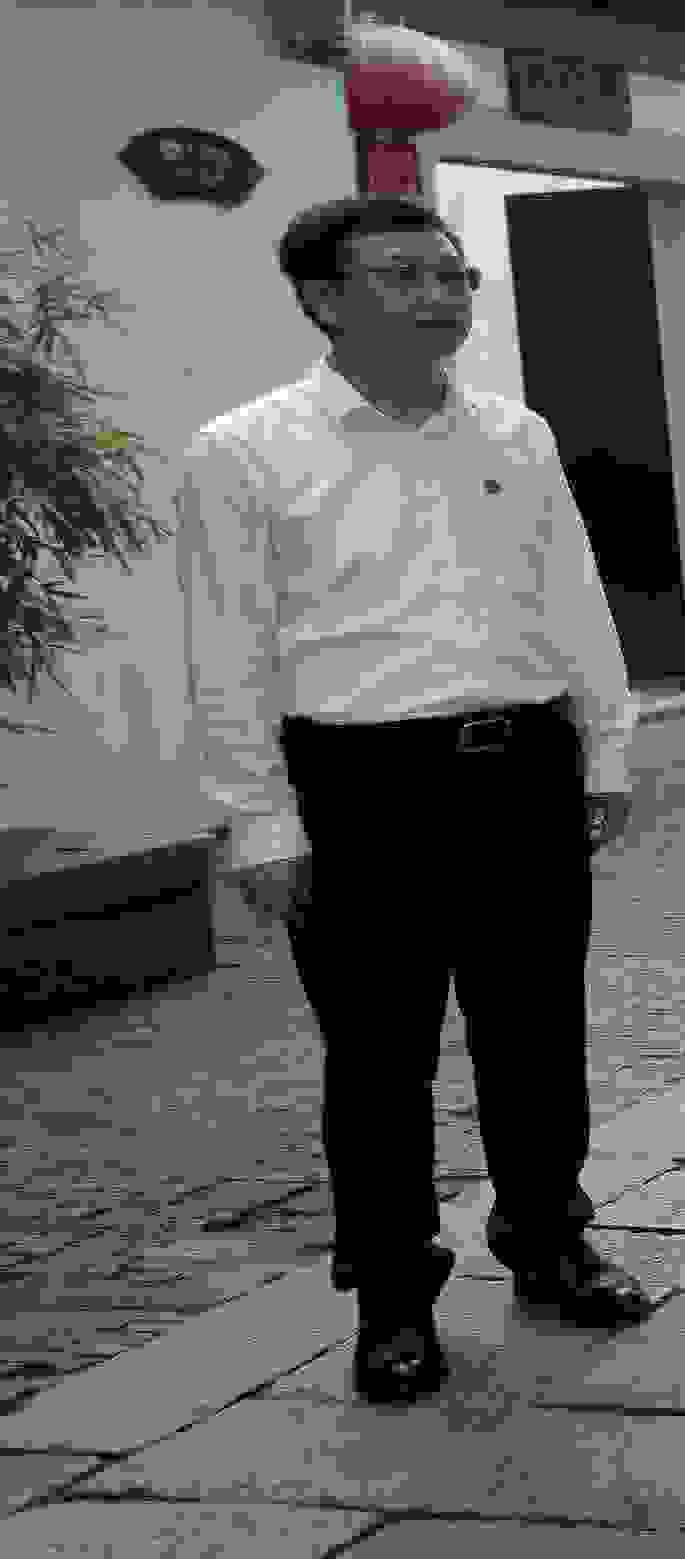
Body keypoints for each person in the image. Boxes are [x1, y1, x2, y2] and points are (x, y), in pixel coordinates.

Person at [173, 195, 658, 1406]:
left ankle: (546, 1235)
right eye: (404, 275)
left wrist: (605, 745)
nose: (440, 296)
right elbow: (225, 646)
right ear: (323, 299)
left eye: (453, 275)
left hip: (522, 770)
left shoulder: (515, 434)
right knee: (379, 1054)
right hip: (361, 786)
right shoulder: (245, 451)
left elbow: (573, 595)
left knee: (536, 1030)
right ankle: (392, 1291)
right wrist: (261, 816)